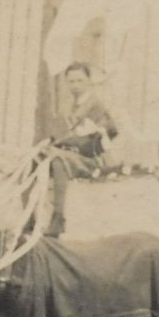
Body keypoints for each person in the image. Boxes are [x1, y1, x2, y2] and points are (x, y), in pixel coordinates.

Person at [45, 61, 120, 235]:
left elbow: (113, 131)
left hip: (91, 158)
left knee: (58, 159)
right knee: (38, 158)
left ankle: (58, 218)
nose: (76, 86)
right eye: (71, 81)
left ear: (88, 82)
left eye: (80, 81)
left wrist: (96, 132)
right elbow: (63, 133)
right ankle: (31, 218)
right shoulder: (68, 106)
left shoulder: (96, 105)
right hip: (70, 157)